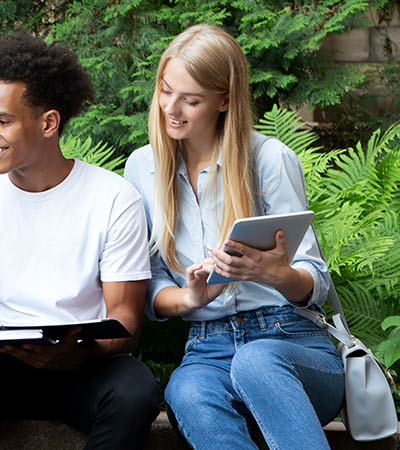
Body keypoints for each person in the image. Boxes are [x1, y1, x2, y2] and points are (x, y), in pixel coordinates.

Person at [0, 33, 161, 450]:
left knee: (136, 388)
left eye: (2, 121)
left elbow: (126, 324)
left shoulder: (113, 199)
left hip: (82, 367)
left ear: (48, 123)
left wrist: (75, 355)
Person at [122, 24, 340, 450]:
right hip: (209, 346)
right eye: (166, 91)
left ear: (224, 101)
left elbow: (315, 279)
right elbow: (148, 283)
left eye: (191, 99)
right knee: (186, 391)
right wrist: (189, 299)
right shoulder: (142, 167)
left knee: (257, 361)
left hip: (290, 340)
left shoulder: (269, 159)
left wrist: (272, 273)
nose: (172, 108)